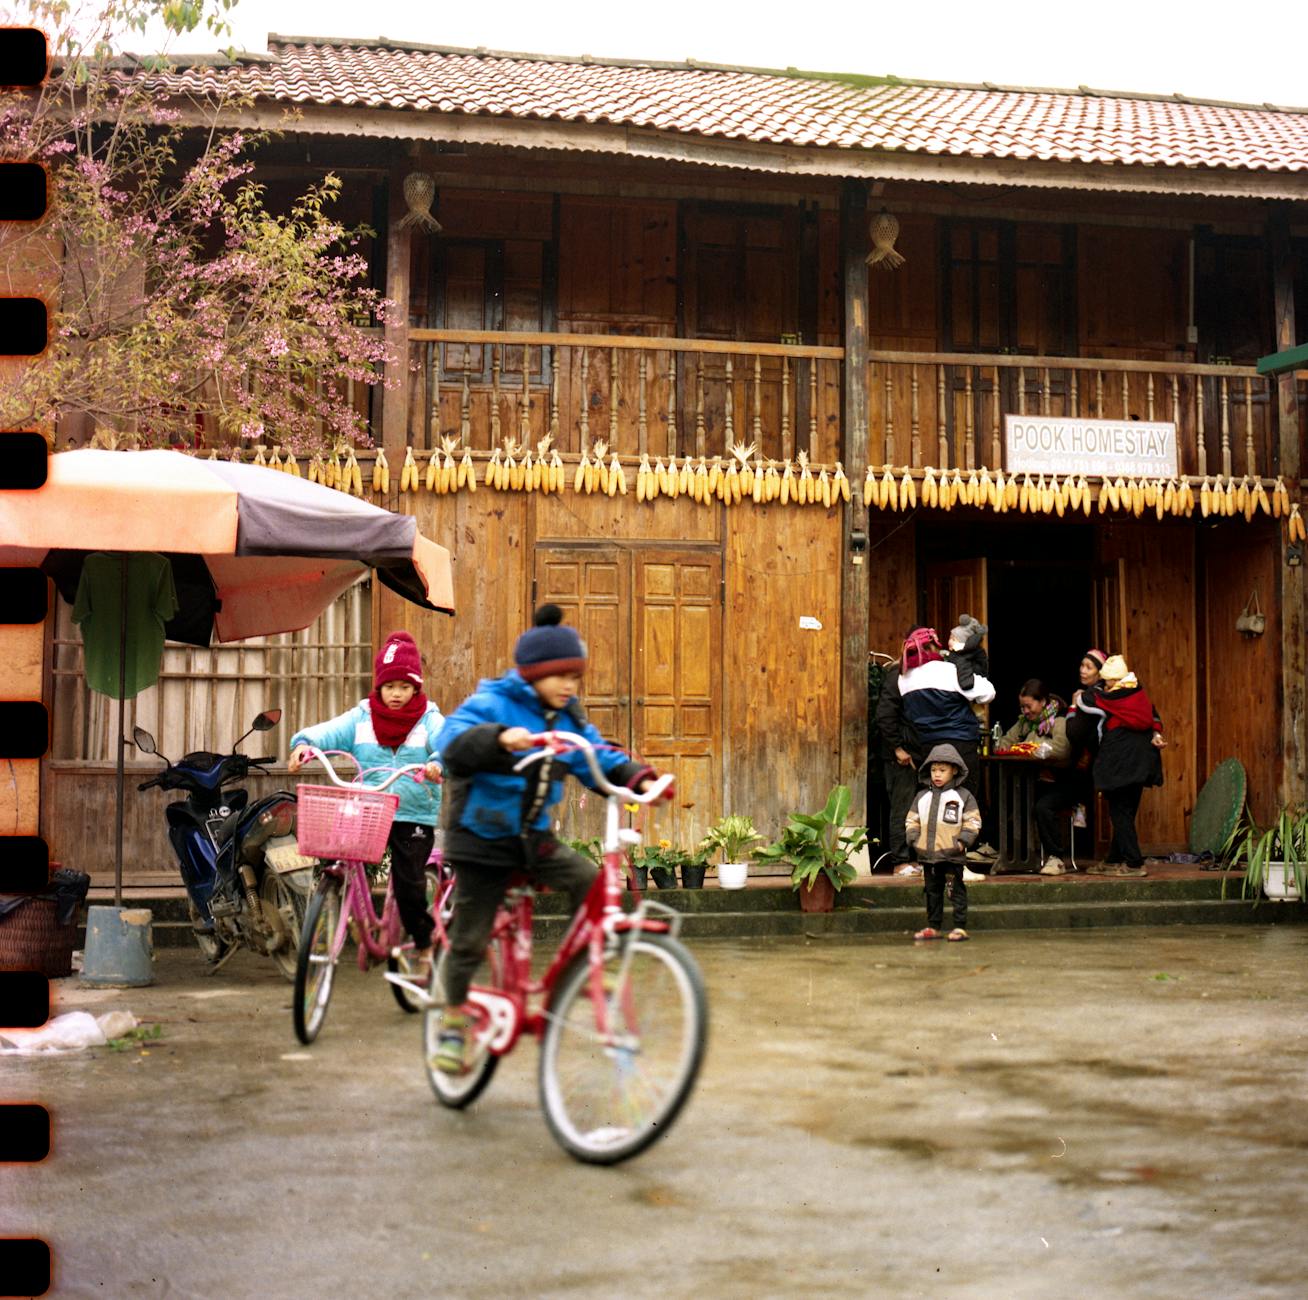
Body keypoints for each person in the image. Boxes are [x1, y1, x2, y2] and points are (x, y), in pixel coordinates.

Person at [431, 604, 665, 1074]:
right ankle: (453, 1021)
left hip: (533, 840)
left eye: (575, 678)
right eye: (559, 676)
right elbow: (451, 743)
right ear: (533, 673)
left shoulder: (567, 718)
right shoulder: (495, 701)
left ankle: (586, 967)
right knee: (472, 937)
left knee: (592, 883)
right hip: (481, 839)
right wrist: (499, 738)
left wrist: (637, 778)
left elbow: (595, 755)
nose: (569, 687)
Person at [288, 630, 445, 969]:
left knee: (407, 886)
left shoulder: (429, 718)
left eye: (404, 687)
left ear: (416, 687)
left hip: (413, 812)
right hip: (370, 808)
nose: (396, 695)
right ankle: (351, 915)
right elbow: (327, 731)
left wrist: (438, 763)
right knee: (335, 852)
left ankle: (423, 940)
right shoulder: (362, 717)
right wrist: (303, 744)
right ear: (379, 686)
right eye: (390, 686)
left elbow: (448, 741)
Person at [895, 626, 997, 876]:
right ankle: (958, 864)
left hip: (928, 748)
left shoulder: (903, 677)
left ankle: (934, 862)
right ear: (930, 646)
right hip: (959, 744)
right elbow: (987, 693)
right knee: (963, 802)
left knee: (934, 804)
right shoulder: (947, 670)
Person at [1074, 654, 1166, 877]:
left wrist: (1079, 695)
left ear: (1116, 681)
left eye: (1107, 681)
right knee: (1125, 811)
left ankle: (1134, 863)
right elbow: (1153, 718)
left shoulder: (1116, 696)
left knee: (1119, 812)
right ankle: (1114, 859)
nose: (1106, 685)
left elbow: (1087, 701)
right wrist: (1156, 732)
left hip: (1123, 760)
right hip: (1143, 760)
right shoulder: (1139, 693)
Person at [993, 679, 1075, 875]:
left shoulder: (1059, 719)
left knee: (1042, 807)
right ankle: (998, 849)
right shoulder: (1025, 723)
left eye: (1028, 706)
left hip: (1062, 782)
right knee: (1006, 797)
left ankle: (1056, 858)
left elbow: (1062, 749)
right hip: (1035, 781)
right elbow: (1005, 741)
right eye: (1022, 707)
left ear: (1042, 701)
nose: (1025, 711)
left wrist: (1034, 750)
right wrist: (1007, 747)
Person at [906, 743, 982, 942]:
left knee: (955, 891)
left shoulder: (963, 796)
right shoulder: (922, 796)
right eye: (933, 770)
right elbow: (911, 820)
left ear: (954, 770)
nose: (937, 775)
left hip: (952, 854)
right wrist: (914, 839)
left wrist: (963, 841)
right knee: (932, 892)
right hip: (928, 856)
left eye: (942, 770)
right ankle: (933, 926)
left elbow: (973, 821)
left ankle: (959, 926)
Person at [874, 626, 926, 877]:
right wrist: (898, 747)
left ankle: (913, 857)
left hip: (915, 752)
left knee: (915, 808)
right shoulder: (897, 674)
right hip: (900, 755)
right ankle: (900, 860)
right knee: (902, 808)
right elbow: (884, 715)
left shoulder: (920, 675)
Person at [943, 614, 989, 692]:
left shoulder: (964, 656)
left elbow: (966, 680)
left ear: (962, 642)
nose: (950, 642)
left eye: (953, 639)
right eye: (950, 638)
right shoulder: (957, 654)